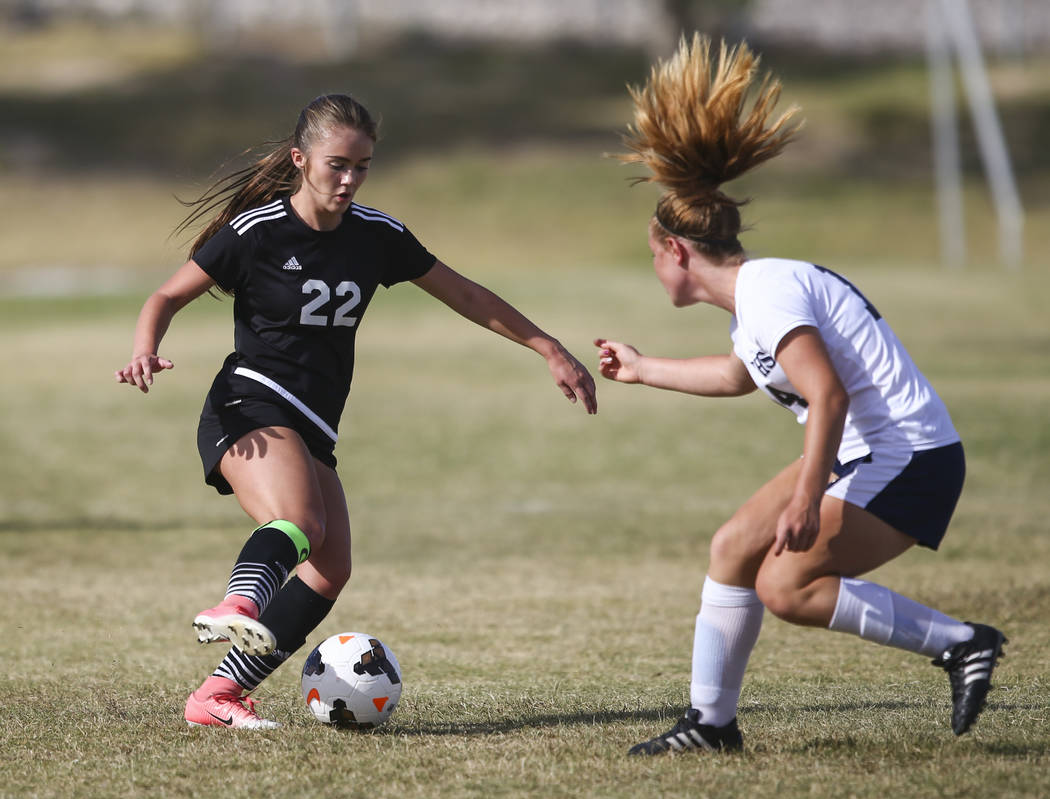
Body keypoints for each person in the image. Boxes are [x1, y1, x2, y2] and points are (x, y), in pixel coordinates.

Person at [116, 93, 597, 729]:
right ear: (300, 159)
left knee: (329, 568)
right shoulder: (255, 232)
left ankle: (218, 697)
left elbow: (464, 293)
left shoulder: (377, 235)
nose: (349, 179)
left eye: (362, 166)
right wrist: (146, 348)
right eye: (337, 164)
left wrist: (548, 347)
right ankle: (239, 602)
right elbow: (165, 296)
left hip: (313, 421)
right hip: (249, 402)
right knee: (300, 521)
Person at [594, 34, 1005, 756]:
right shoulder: (755, 300)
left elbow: (829, 395)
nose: (655, 272)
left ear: (677, 252)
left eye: (652, 257)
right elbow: (733, 377)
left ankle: (963, 642)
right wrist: (640, 367)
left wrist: (806, 494)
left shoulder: (771, 291)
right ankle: (711, 725)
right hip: (864, 452)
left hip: (908, 457)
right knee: (731, 549)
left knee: (787, 588)